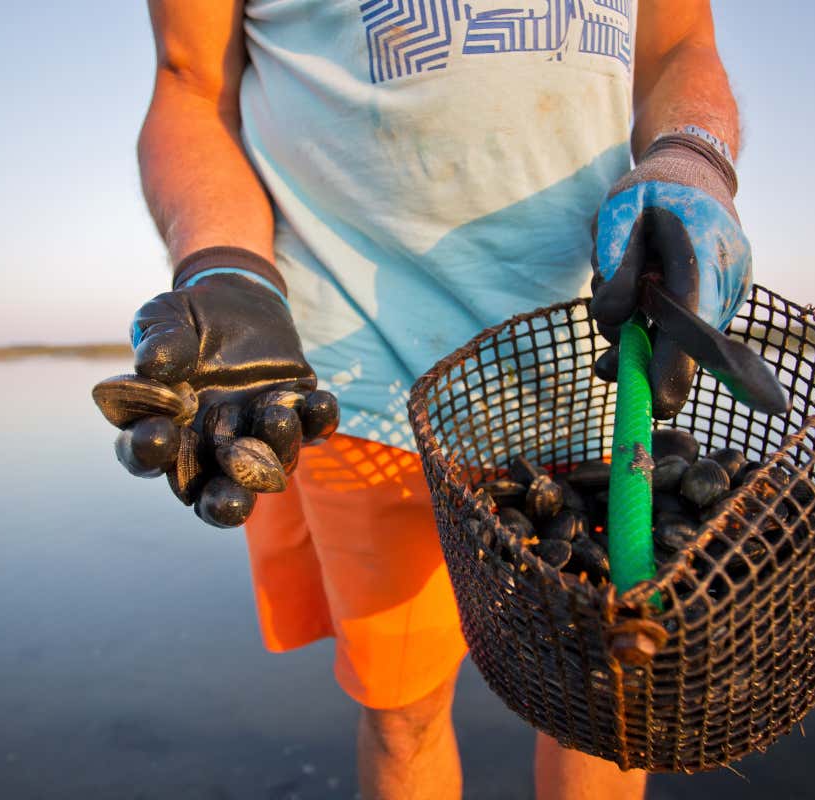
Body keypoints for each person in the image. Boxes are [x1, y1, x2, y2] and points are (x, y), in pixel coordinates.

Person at [99, 1, 752, 797]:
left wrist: (693, 159)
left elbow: (680, 44)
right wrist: (227, 267)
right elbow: (190, 82)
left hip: (602, 359)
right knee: (402, 711)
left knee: (607, 694)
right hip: (362, 377)